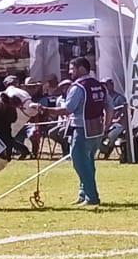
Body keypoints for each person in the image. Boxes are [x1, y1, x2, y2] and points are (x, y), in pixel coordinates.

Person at [42, 57, 110, 206]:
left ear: (81, 68)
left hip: (81, 129)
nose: (70, 72)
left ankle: (91, 197)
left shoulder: (78, 87)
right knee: (88, 163)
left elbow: (67, 109)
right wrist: (106, 126)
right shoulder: (100, 86)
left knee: (80, 163)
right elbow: (109, 108)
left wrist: (45, 110)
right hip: (97, 130)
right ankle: (83, 194)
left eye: (72, 69)